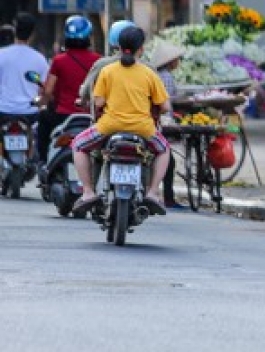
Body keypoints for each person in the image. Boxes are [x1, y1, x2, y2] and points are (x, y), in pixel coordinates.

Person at [71, 26, 172, 217]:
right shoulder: (149, 73)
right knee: (164, 150)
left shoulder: (107, 71)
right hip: (144, 129)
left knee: (77, 145)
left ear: (118, 46)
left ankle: (88, 192)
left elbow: (98, 102)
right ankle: (152, 192)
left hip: (109, 127)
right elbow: (165, 106)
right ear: (141, 49)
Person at [37, 16, 101, 161]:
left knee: (43, 117)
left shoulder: (59, 60)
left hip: (63, 117)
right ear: (88, 37)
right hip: (90, 116)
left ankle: (42, 161)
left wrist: (46, 101)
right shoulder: (98, 60)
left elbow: (48, 91)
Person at [0, 13, 50, 139]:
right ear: (32, 34)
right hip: (30, 114)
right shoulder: (40, 59)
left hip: (3, 112)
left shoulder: (2, 55)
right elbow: (44, 90)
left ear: (14, 31)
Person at [150, 42, 185, 208]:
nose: (178, 62)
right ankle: (166, 197)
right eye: (177, 59)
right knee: (167, 159)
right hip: (162, 122)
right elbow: (167, 104)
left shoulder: (156, 75)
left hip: (153, 120)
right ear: (170, 61)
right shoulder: (166, 77)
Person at [78, 20, 136, 107]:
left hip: (110, 114)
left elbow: (86, 91)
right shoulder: (147, 67)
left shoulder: (102, 64)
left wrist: (84, 98)